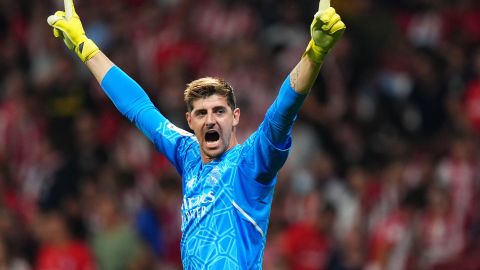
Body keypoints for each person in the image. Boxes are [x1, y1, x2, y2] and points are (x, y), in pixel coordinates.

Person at [46, 0, 345, 268]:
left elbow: (282, 113)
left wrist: (314, 53)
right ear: (190, 120)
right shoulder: (188, 155)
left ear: (235, 117)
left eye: (219, 111)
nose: (210, 120)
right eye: (201, 113)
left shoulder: (250, 164)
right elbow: (138, 107)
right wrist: (86, 48)